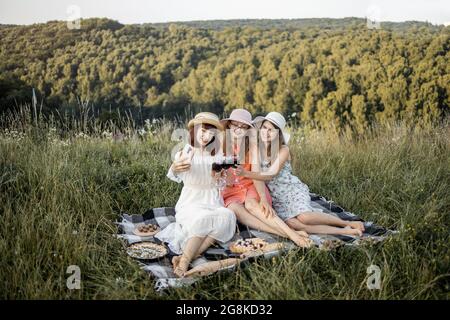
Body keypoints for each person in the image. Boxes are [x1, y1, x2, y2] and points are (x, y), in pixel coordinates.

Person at [237, 112, 365, 236]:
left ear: (278, 134)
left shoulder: (283, 149)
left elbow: (271, 174)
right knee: (294, 224)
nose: (266, 132)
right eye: (264, 127)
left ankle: (346, 223)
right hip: (276, 197)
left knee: (305, 217)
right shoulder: (256, 149)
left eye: (271, 130)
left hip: (290, 190)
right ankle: (346, 231)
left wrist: (245, 173)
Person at [155, 112, 237, 277]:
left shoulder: (219, 155)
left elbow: (224, 184)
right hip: (191, 202)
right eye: (203, 131)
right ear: (194, 131)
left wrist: (219, 177)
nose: (207, 136)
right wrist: (176, 167)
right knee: (203, 220)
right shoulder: (186, 152)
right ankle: (185, 261)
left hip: (213, 201)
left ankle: (186, 256)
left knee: (227, 216)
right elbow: (174, 173)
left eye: (211, 133)